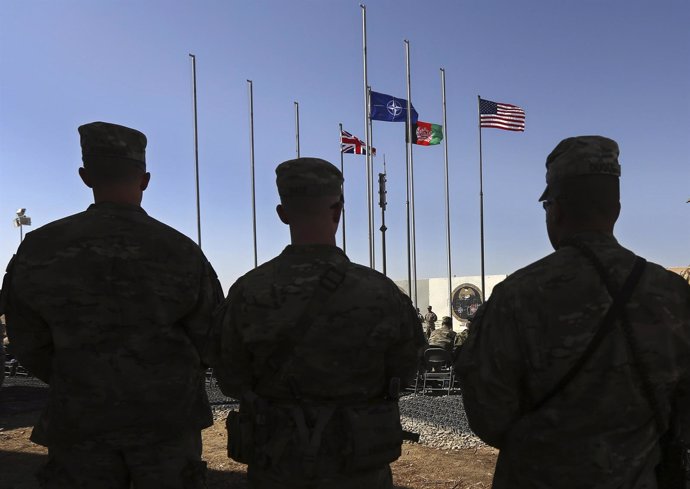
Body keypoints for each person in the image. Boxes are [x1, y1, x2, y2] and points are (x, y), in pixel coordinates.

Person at [456, 135, 690, 488]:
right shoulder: (673, 293)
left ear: (556, 209)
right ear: (617, 208)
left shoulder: (517, 295)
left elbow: (489, 415)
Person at [0, 122, 223, 488]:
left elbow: (26, 338)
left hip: (79, 420)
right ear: (145, 179)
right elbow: (210, 336)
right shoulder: (179, 250)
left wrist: (77, 377)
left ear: (85, 176)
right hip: (166, 423)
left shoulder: (41, 247)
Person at [214, 157, 425, 489]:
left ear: (282, 214)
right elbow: (405, 371)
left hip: (277, 463)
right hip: (358, 464)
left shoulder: (248, 291)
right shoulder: (381, 292)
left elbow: (229, 377)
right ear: (338, 210)